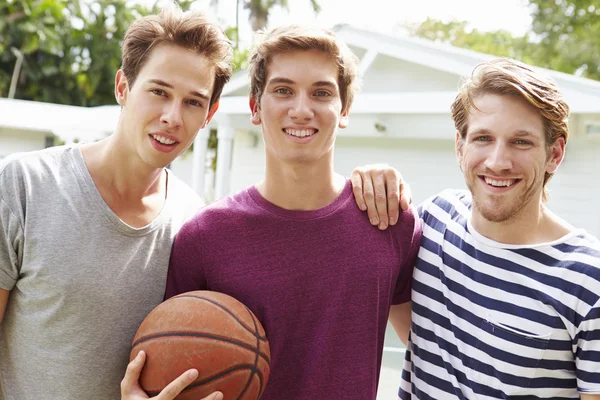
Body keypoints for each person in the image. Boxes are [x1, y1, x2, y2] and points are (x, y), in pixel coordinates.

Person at [162, 25, 422, 400]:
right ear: (255, 107)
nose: (301, 110)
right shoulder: (204, 237)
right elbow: (172, 362)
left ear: (344, 110)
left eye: (321, 93)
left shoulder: (388, 220)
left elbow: (434, 347)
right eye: (283, 90)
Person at [0, 7, 233, 400]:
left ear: (209, 114)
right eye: (159, 92)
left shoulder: (193, 222)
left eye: (193, 102)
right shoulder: (24, 185)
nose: (172, 117)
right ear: (123, 88)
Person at [393, 59, 600, 399]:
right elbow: (419, 337)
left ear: (555, 154)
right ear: (460, 146)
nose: (497, 162)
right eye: (483, 138)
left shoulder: (588, 281)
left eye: (521, 142)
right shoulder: (432, 221)